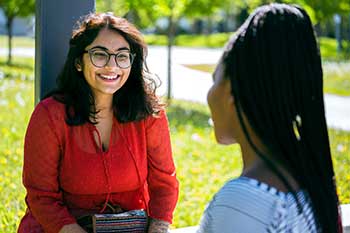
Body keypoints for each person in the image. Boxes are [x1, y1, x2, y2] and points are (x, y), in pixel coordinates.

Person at [18, 12, 178, 233]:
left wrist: (158, 228)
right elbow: (41, 195)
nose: (112, 66)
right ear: (78, 63)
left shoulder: (148, 114)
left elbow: (164, 184)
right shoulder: (50, 115)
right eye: (100, 54)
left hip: (127, 227)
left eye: (122, 56)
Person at [198, 3, 343, 233]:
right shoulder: (313, 184)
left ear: (232, 91)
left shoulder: (244, 201)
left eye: (214, 79)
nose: (209, 93)